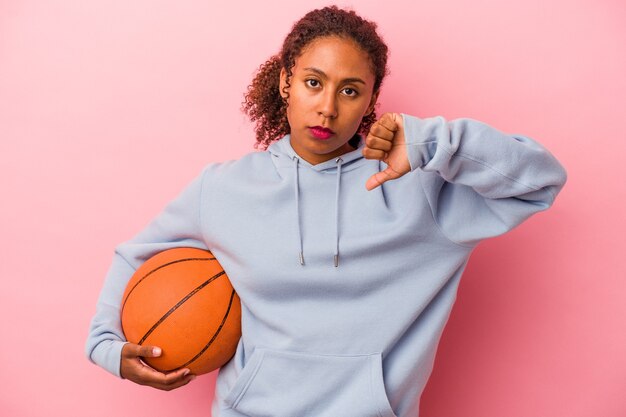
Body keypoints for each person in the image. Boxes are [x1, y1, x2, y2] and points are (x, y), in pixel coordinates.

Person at [86, 5, 567, 417]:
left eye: (350, 90)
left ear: (370, 103)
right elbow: (136, 255)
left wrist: (434, 142)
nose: (327, 108)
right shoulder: (225, 188)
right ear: (285, 82)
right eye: (313, 83)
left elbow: (539, 182)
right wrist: (107, 347)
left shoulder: (419, 187)